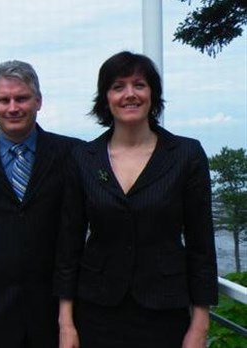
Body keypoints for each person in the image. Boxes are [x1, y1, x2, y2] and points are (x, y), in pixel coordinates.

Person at [54, 51, 218, 348]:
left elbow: (201, 246)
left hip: (165, 312)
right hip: (96, 311)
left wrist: (200, 325)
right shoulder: (83, 159)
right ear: (106, 98)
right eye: (118, 86)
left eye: (139, 85)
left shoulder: (186, 155)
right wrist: (66, 322)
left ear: (153, 94)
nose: (130, 94)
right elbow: (69, 244)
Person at [0, 60, 82, 348]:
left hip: (54, 312)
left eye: (21, 98)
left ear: (38, 101)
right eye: (3, 100)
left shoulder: (73, 153)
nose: (13, 107)